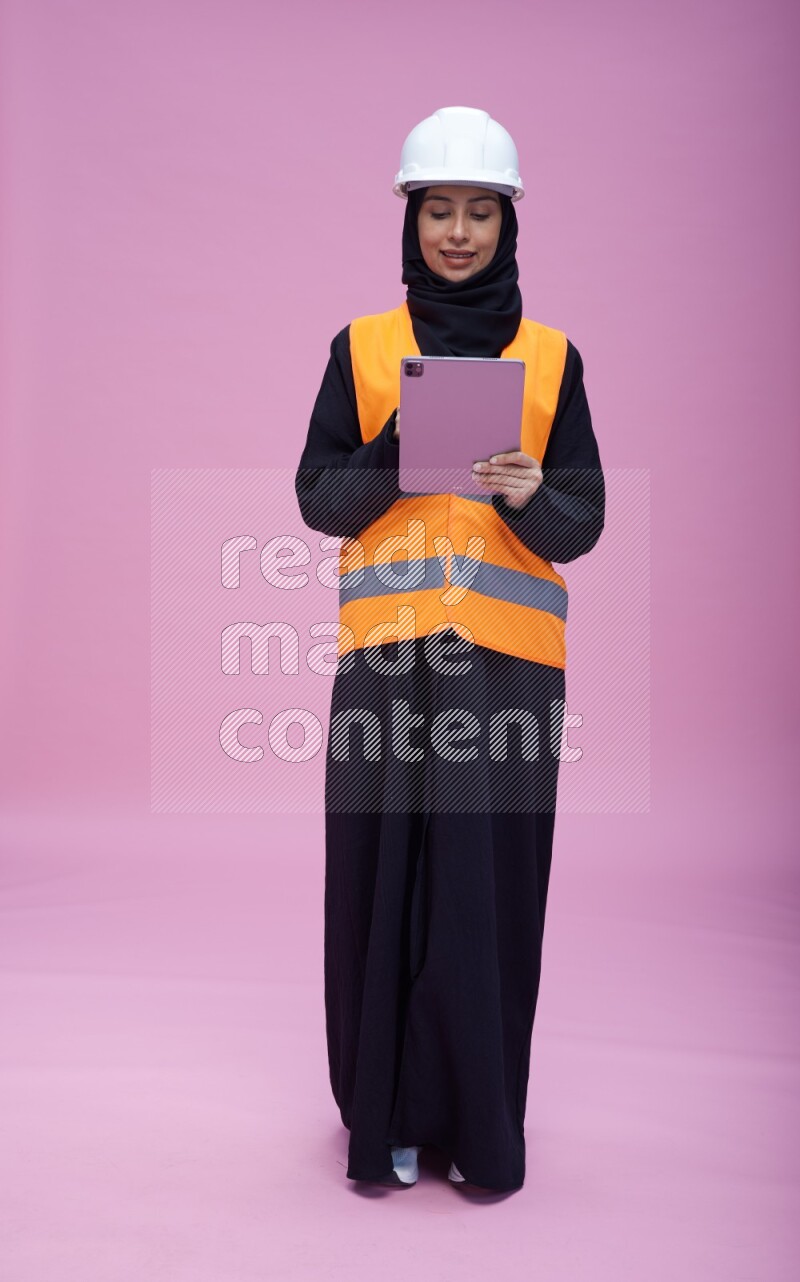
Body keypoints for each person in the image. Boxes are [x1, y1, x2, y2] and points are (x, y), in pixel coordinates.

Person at [294, 106, 605, 1193]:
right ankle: (380, 1119)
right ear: (410, 218)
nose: (459, 232)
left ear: (507, 222)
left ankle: (481, 1127)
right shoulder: (363, 348)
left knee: (483, 894)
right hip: (385, 661)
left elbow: (583, 523)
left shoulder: (553, 358)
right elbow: (318, 501)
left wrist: (529, 493)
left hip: (507, 671)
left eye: (479, 210)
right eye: (440, 210)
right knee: (379, 883)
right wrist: (391, 455)